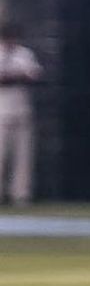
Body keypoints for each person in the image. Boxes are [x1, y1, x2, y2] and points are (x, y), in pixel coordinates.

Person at [0, 20, 43, 206]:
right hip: (1, 111)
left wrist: (12, 76)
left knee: (23, 156)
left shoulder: (24, 54)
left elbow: (33, 75)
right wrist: (14, 76)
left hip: (22, 110)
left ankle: (20, 195)